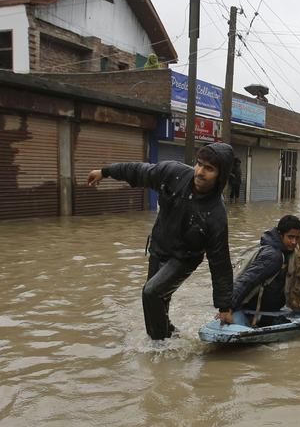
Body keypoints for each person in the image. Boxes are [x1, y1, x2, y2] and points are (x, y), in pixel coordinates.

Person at [86, 143, 235, 340]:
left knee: (151, 293)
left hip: (184, 259)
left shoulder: (216, 215)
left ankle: (157, 348)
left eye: (209, 169)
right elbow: (138, 171)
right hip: (159, 247)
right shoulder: (173, 173)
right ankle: (170, 338)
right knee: (158, 304)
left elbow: (220, 261)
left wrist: (225, 307)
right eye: (199, 164)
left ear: (220, 175)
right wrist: (105, 172)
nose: (200, 172)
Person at [232, 215, 300, 324]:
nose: (294, 242)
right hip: (256, 310)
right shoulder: (274, 256)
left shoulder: (287, 252)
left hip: (270, 309)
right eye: (290, 237)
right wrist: (227, 307)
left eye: (297, 238)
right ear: (280, 235)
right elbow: (247, 280)